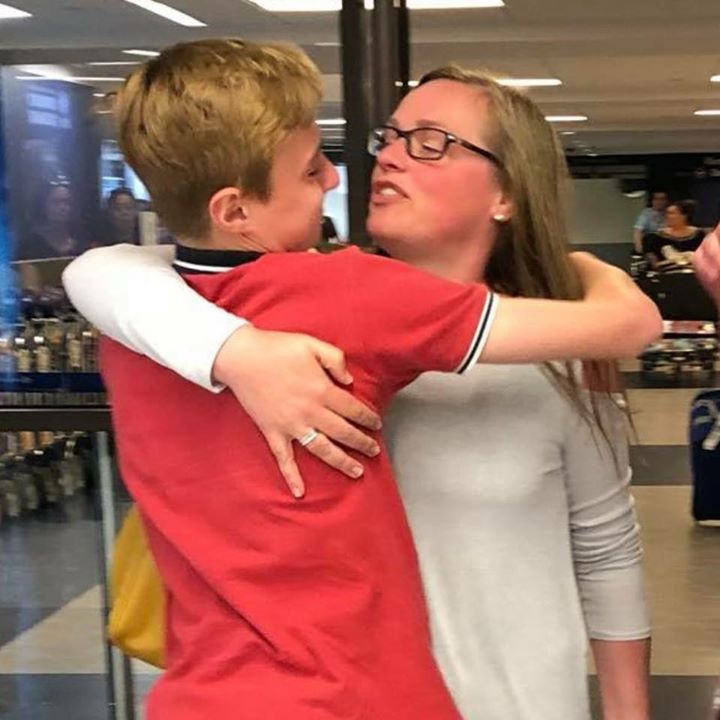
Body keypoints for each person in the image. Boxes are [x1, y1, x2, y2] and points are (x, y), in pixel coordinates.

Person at [64, 40, 662, 720]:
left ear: (508, 192)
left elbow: (606, 547)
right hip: (353, 699)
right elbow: (106, 271)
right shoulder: (287, 306)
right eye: (392, 136)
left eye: (432, 142)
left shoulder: (558, 354)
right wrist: (233, 350)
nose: (387, 157)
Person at [19, 182, 79, 260]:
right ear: (43, 205)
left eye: (67, 202)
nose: (63, 207)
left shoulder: (80, 241)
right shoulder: (30, 244)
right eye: (56, 202)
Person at [642, 199, 705, 269]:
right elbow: (652, 259)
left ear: (684, 216)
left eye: (671, 213)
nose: (667, 216)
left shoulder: (699, 235)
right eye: (667, 213)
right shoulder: (655, 237)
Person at [633, 190, 667, 254]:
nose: (659, 202)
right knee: (652, 238)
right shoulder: (646, 213)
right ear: (652, 201)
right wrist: (638, 246)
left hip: (666, 242)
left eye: (662, 199)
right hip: (651, 243)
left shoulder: (670, 212)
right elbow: (637, 231)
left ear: (666, 201)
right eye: (656, 199)